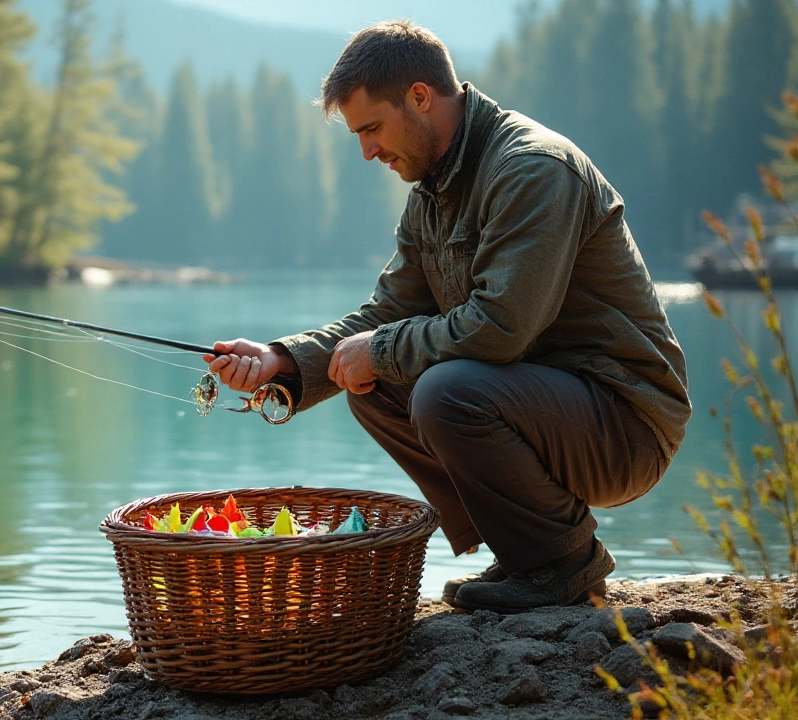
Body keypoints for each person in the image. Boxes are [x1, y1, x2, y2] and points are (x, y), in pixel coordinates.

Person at [204, 20, 691, 614]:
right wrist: (282, 360)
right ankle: (528, 551)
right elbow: (386, 313)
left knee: (440, 388)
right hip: (545, 404)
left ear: (419, 96)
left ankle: (561, 563)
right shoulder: (432, 190)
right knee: (370, 379)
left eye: (372, 128)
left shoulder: (533, 168)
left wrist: (379, 349)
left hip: (624, 421)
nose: (367, 151)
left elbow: (500, 328)